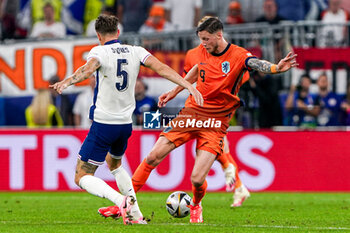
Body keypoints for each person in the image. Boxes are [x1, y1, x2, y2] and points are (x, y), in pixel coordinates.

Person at [131, 17, 297, 223]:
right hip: (191, 114)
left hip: (215, 123)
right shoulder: (202, 51)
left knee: (197, 178)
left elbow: (256, 63)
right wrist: (173, 92)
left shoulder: (238, 55)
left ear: (219, 35)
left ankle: (196, 205)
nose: (203, 43)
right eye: (201, 39)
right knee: (153, 156)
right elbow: (194, 71)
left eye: (206, 39)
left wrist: (275, 68)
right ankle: (126, 202)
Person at [49, 14, 203, 225]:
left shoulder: (99, 51)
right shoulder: (136, 51)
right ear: (118, 32)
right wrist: (188, 86)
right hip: (125, 124)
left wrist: (67, 82)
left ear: (98, 35)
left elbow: (88, 69)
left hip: (104, 124)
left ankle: (120, 201)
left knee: (81, 176)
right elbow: (162, 69)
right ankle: (136, 214)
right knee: (115, 164)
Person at [182, 16, 249, 208]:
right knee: (210, 148)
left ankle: (235, 180)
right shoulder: (192, 54)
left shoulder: (229, 54)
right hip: (197, 107)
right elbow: (188, 79)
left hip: (220, 107)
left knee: (216, 144)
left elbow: (242, 75)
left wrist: (225, 88)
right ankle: (237, 183)